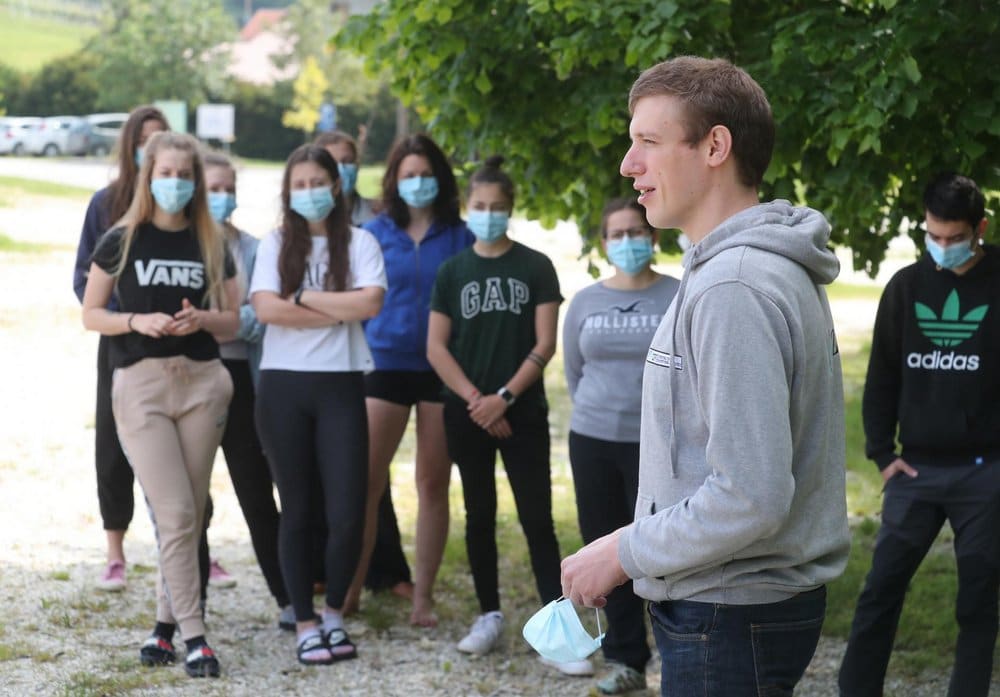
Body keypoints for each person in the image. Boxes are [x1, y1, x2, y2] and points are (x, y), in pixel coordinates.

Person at [560, 56, 850, 697]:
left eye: (648, 141)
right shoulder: (736, 270)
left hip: (729, 613)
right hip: (734, 607)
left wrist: (620, 552)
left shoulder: (734, 286)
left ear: (715, 146)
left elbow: (750, 495)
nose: (628, 165)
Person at [81, 131, 239, 678]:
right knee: (173, 512)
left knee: (188, 514)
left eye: (184, 175)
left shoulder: (210, 241)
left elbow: (233, 319)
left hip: (202, 384)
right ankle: (197, 636)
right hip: (141, 386)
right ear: (149, 177)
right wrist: (136, 320)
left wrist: (203, 319)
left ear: (196, 181)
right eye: (165, 173)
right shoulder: (121, 238)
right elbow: (91, 313)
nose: (175, 182)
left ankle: (165, 628)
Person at [838, 173, 999, 697]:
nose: (943, 247)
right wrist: (881, 453)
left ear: (980, 228)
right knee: (880, 590)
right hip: (915, 470)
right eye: (934, 236)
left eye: (955, 238)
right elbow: (882, 374)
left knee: (978, 599)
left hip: (986, 474)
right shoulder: (907, 287)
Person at [426, 156, 586, 676]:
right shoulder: (452, 271)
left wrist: (505, 398)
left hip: (523, 413)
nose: (489, 214)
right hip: (467, 413)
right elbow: (436, 347)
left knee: (537, 519)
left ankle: (558, 633)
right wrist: (479, 400)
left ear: (510, 209)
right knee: (479, 515)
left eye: (498, 207)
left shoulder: (535, 266)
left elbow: (545, 343)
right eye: (480, 206)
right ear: (467, 207)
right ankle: (488, 615)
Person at [250, 144, 386, 666]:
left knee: (347, 511)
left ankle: (334, 614)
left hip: (341, 385)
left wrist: (303, 299)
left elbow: (370, 301)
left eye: (317, 182)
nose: (308, 192)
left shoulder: (360, 241)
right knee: (299, 510)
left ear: (336, 185)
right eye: (299, 184)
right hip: (283, 385)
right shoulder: (276, 243)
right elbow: (266, 309)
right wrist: (337, 309)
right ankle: (304, 621)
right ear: (288, 192)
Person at [344, 133, 474, 626]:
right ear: (394, 181)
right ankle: (349, 592)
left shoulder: (462, 236)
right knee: (366, 483)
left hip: (442, 370)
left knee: (432, 483)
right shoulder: (371, 234)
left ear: (440, 179)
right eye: (409, 175)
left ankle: (423, 597)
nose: (418, 183)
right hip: (383, 365)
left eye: (426, 174)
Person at [562, 198, 679, 694]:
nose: (627, 241)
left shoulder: (679, 293)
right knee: (604, 547)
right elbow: (574, 370)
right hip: (593, 440)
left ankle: (680, 656)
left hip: (659, 443)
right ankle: (625, 658)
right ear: (604, 243)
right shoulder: (585, 301)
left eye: (636, 232)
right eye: (617, 234)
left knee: (667, 550)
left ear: (653, 238)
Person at [314, 128, 413, 605]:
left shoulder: (376, 217)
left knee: (373, 471)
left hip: (373, 355)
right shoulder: (303, 222)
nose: (342, 169)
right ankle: (325, 567)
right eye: (332, 161)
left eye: (348, 160)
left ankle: (385, 570)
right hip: (321, 356)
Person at [72, 105, 167, 592]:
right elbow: (83, 280)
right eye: (144, 141)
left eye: (161, 139)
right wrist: (124, 315)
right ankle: (115, 551)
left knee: (180, 450)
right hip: (119, 344)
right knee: (112, 446)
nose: (152, 149)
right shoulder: (105, 204)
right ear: (130, 146)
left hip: (173, 345)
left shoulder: (182, 208)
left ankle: (193, 547)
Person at [202, 151, 293, 628]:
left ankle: (288, 598)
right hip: (193, 376)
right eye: (213, 189)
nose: (222, 197)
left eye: (228, 188)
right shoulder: (180, 245)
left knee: (257, 492)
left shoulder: (254, 248)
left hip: (245, 378)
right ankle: (188, 607)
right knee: (190, 502)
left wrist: (205, 319)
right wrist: (225, 319)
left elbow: (258, 319)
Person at [314, 130, 377, 226]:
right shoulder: (311, 220)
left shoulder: (377, 213)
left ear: (357, 165)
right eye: (332, 163)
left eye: (347, 161)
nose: (341, 169)